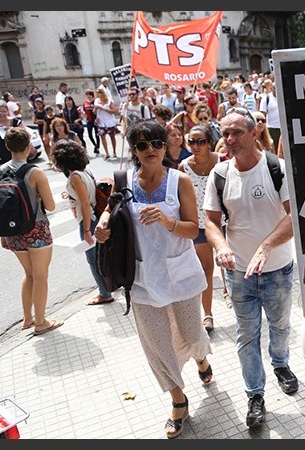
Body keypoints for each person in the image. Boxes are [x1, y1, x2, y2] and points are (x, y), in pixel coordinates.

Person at [93, 119, 213, 439]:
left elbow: (192, 228)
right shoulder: (125, 180)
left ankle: (201, 358)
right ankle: (178, 400)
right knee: (157, 345)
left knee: (191, 332)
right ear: (133, 150)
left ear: (165, 147)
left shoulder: (180, 181)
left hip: (181, 273)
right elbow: (111, 210)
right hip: (143, 278)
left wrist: (167, 220)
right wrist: (103, 225)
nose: (151, 150)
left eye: (157, 143)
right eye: (142, 145)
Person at [203, 107, 297, 428]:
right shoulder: (219, 175)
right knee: (247, 335)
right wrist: (222, 246)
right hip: (240, 273)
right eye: (224, 133)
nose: (228, 140)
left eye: (236, 133)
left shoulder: (277, 169)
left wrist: (267, 245)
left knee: (281, 326)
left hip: (279, 270)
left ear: (254, 132)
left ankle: (281, 364)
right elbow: (211, 223)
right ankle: (255, 395)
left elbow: (293, 217)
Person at [0, 127, 61, 335]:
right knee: (40, 275)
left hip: (13, 232)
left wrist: (4, 235)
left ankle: (28, 319)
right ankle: (41, 322)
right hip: (36, 230)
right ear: (28, 147)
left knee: (28, 273)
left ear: (7, 147)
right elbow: (50, 206)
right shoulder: (35, 172)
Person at [50, 139, 114, 305]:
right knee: (104, 255)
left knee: (93, 260)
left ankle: (105, 293)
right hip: (96, 217)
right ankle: (111, 285)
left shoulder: (75, 177)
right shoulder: (85, 171)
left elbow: (85, 203)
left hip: (89, 220)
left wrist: (86, 230)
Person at [178, 124, 220, 332]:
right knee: (206, 270)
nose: (196, 146)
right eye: (191, 142)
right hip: (199, 227)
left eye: (200, 141)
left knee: (231, 267)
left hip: (223, 223)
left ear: (209, 142)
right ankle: (208, 314)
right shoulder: (183, 167)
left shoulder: (222, 161)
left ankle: (234, 297)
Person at [0, 99, 29, 168]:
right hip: (1, 159)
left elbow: (26, 136)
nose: (2, 114)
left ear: (8, 111)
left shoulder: (16, 122)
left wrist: (14, 130)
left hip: (18, 158)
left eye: (4, 111)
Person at [94, 86, 120, 160]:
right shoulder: (96, 101)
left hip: (109, 121)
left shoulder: (109, 100)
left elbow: (113, 111)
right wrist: (95, 109)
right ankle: (107, 153)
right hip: (101, 121)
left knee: (112, 136)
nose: (97, 95)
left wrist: (103, 109)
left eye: (98, 93)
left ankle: (114, 151)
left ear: (102, 93)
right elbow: (94, 112)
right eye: (97, 93)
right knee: (102, 137)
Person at [258, 79, 281, 146]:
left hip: (283, 128)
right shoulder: (267, 98)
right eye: (274, 88)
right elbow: (263, 114)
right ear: (271, 88)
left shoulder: (284, 97)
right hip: (271, 128)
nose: (275, 89)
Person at [82, 89, 101, 155]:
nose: (88, 96)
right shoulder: (85, 103)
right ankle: (95, 145)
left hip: (95, 120)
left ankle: (98, 147)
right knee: (90, 135)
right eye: (87, 95)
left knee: (97, 134)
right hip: (88, 120)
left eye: (89, 94)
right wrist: (84, 114)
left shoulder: (95, 101)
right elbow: (84, 110)